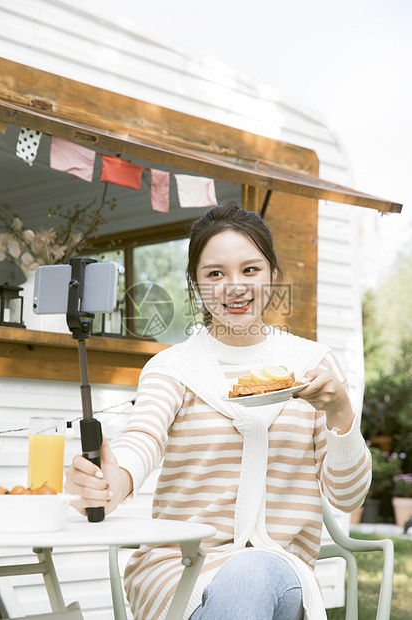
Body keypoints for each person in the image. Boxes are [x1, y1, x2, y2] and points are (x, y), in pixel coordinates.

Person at [65, 202, 371, 620]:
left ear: (273, 276)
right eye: (215, 274)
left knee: (252, 571)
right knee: (244, 583)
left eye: (250, 270)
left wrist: (339, 411)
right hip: (180, 568)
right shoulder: (173, 367)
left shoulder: (312, 366)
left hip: (279, 570)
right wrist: (110, 482)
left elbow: (348, 495)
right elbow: (142, 439)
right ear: (195, 284)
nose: (234, 287)